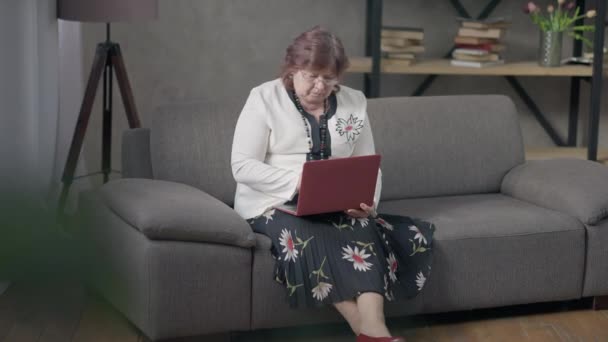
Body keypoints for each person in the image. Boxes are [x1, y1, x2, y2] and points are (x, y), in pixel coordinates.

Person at [231, 26, 435, 342]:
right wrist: (298, 183)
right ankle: (373, 333)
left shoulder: (355, 102)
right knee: (309, 236)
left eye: (329, 78)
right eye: (311, 76)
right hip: (271, 205)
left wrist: (368, 204)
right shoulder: (263, 98)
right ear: (292, 68)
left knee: (366, 230)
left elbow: (370, 165)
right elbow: (242, 166)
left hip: (336, 205)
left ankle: (372, 332)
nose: (319, 86)